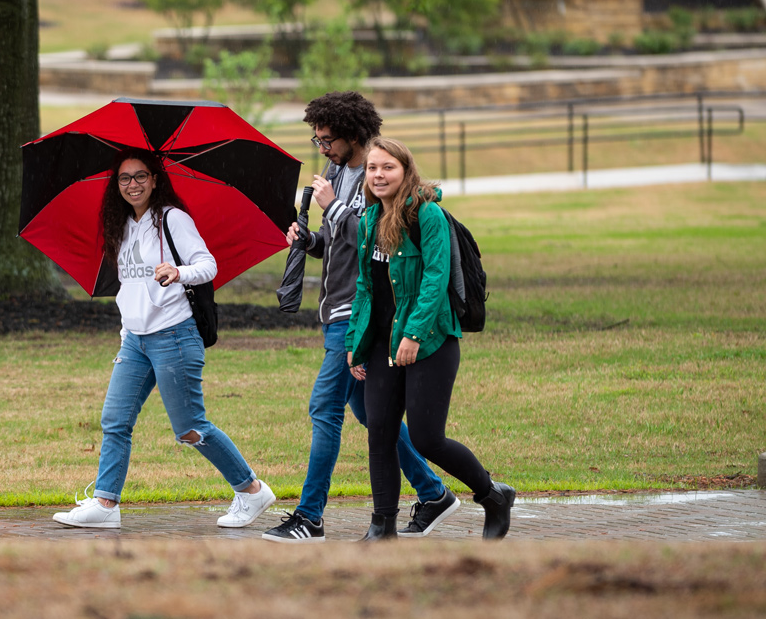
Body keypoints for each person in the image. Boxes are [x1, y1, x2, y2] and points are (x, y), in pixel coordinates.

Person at [263, 92, 458, 544]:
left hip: (360, 313)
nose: (321, 147)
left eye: (327, 138)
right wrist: (309, 238)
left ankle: (310, 516)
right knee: (371, 415)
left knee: (325, 407)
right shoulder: (335, 172)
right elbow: (340, 245)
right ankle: (432, 494)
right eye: (315, 139)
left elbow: (378, 240)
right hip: (336, 310)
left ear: (351, 135)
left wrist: (331, 208)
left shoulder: (371, 178)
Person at [53, 147, 276, 529]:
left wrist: (178, 271)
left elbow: (208, 265)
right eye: (124, 178)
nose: (132, 184)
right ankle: (105, 505)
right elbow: (130, 287)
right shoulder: (122, 226)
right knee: (115, 419)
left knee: (190, 429)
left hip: (174, 335)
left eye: (140, 176)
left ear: (155, 180)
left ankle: (252, 490)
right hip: (136, 341)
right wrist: (126, 334)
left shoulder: (173, 219)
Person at [346, 136, 516, 541]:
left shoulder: (427, 216)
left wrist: (413, 334)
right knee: (380, 433)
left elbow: (436, 279)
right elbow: (365, 287)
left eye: (388, 167)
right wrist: (356, 341)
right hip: (382, 345)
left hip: (431, 342)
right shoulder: (368, 221)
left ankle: (492, 495)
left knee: (426, 438)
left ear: (405, 170)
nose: (379, 175)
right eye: (372, 168)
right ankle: (381, 527)